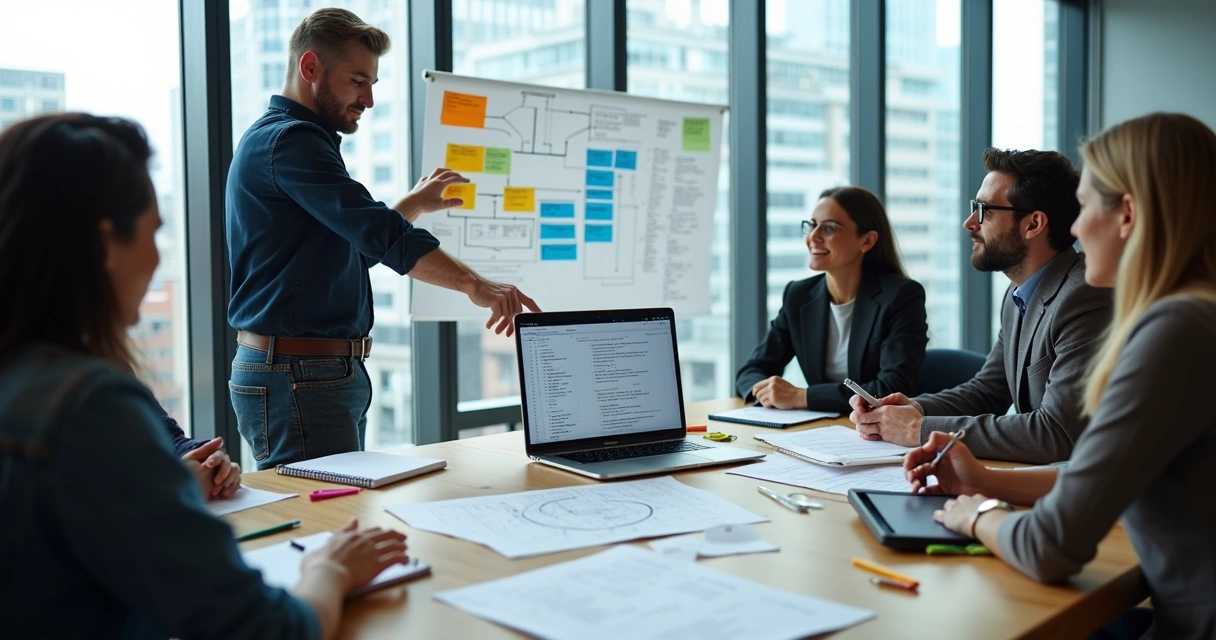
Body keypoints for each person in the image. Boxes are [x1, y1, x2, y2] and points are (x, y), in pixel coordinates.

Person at [0, 113, 408, 639]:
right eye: (153, 235)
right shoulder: (87, 404)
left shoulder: (52, 374)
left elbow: (155, 438)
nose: (154, 260)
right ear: (105, 245)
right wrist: (330, 569)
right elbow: (267, 631)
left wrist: (178, 469)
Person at [908, 112, 1216, 639]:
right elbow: (1109, 469)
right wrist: (984, 479)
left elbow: (1048, 547)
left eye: (1086, 206)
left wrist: (974, 515)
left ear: (1128, 215)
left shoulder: (1174, 332)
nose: (1073, 228)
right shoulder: (1193, 316)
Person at [226, 8, 540, 469]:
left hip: (310, 372)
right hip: (298, 373)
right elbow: (376, 232)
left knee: (333, 519)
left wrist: (412, 203)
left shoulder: (291, 142)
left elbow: (345, 252)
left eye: (371, 83)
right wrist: (476, 285)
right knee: (323, 523)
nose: (369, 99)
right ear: (310, 68)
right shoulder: (291, 142)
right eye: (358, 81)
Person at [850, 149, 1113, 464]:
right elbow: (987, 391)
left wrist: (919, 430)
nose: (969, 223)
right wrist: (914, 410)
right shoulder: (1019, 292)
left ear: (1034, 224)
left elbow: (1056, 433)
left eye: (983, 210)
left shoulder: (1085, 296)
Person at [736, 186, 928, 413]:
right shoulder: (798, 296)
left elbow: (891, 388)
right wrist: (766, 394)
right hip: (820, 428)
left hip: (880, 433)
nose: (813, 237)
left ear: (866, 241)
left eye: (829, 228)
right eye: (811, 225)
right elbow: (752, 369)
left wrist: (800, 396)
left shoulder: (901, 296)